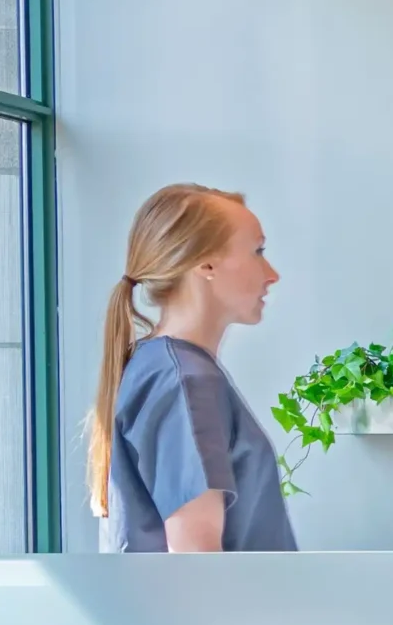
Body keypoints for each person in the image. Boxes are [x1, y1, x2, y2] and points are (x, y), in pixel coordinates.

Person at [89, 183, 297, 554]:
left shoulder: (161, 367)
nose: (272, 273)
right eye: (258, 251)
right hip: (221, 611)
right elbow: (195, 560)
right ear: (205, 264)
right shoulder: (185, 380)